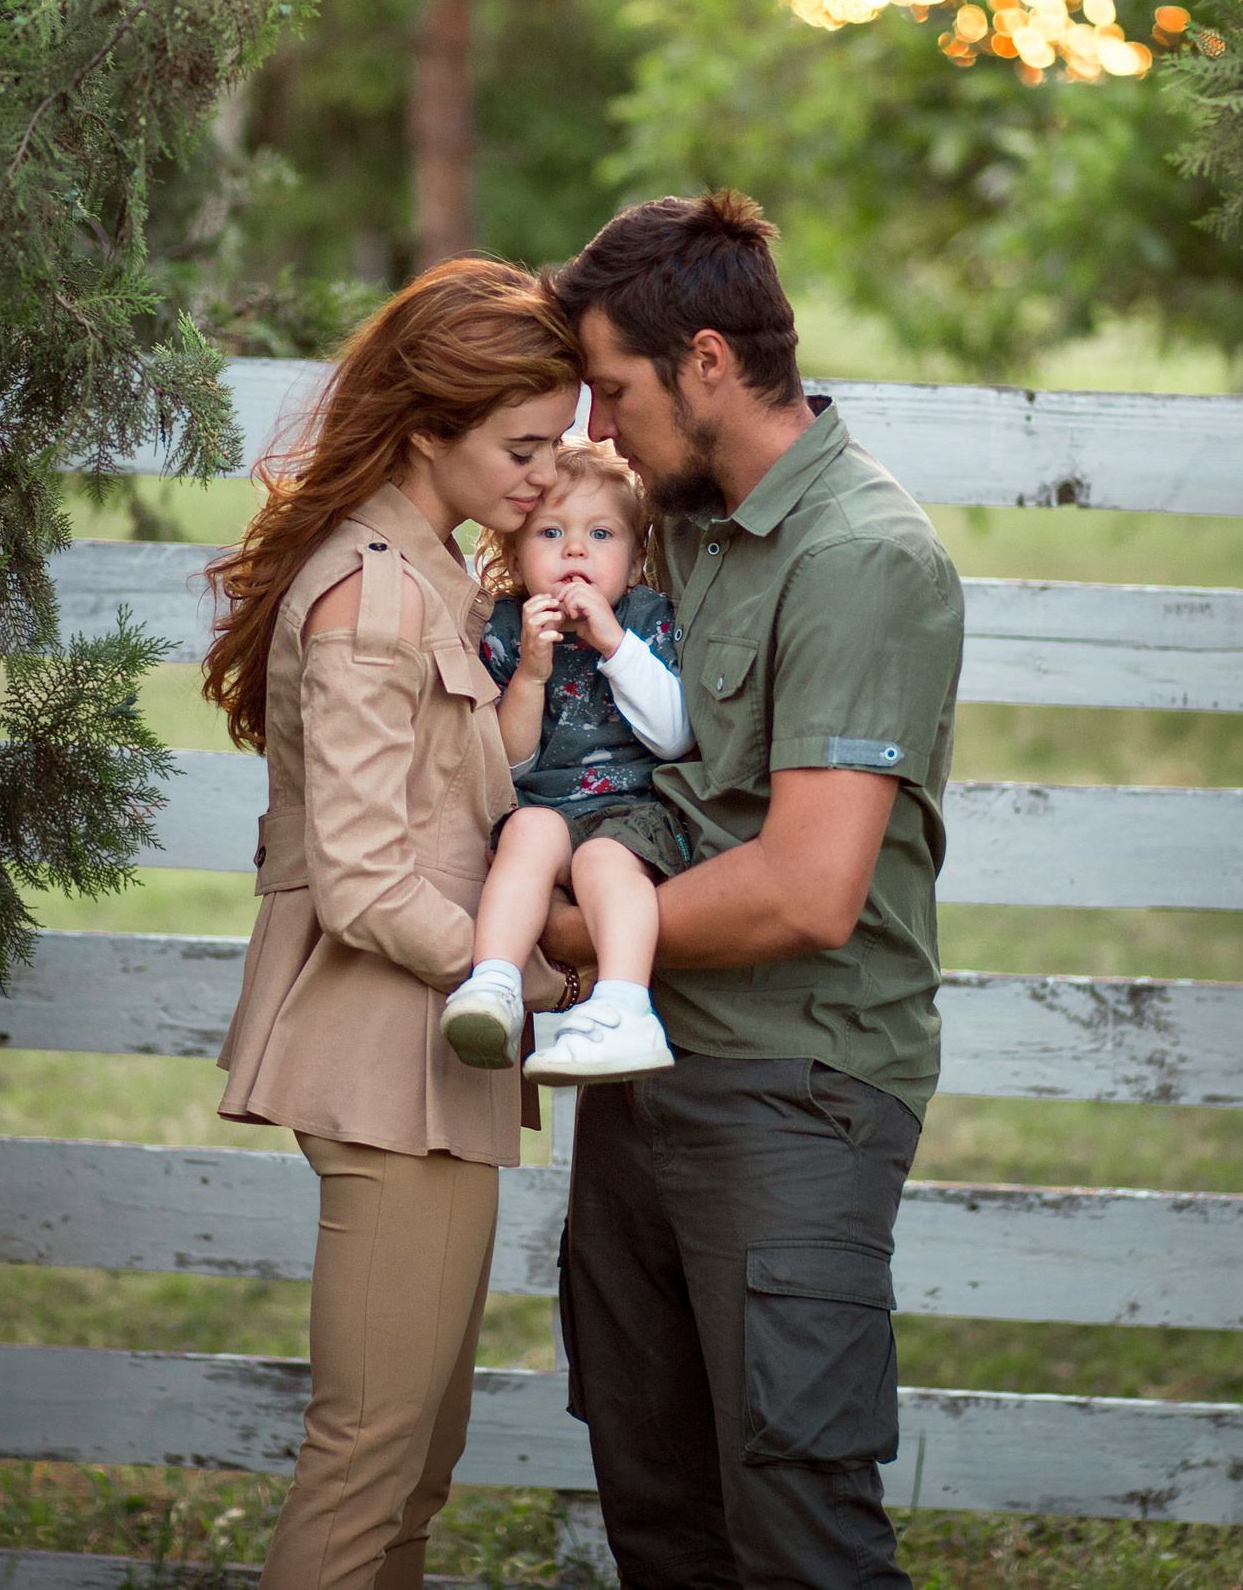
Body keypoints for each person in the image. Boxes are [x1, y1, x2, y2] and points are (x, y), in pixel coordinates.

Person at [544, 192, 965, 1587]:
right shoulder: (675, 526)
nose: (598, 427)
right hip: (642, 1075)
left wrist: (571, 934)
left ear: (708, 362)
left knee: (797, 1536)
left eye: (613, 389)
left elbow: (806, 891)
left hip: (795, 1094)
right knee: (659, 1516)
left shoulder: (860, 556)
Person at [201, 258, 581, 1590]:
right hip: (385, 1060)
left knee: (416, 1462)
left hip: (437, 1055)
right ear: (427, 428)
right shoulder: (373, 595)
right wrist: (538, 972)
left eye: (558, 442)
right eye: (523, 449)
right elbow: (362, 881)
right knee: (368, 1464)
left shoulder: (433, 573)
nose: (548, 475)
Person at [437, 437, 694, 1085]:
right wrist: (530, 672)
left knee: (602, 860)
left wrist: (614, 643)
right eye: (551, 533)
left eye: (601, 534)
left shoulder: (647, 618)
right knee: (526, 830)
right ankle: (495, 983)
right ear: (515, 555)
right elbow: (511, 766)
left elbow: (674, 737)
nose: (575, 550)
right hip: (547, 808)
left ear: (635, 563)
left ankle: (625, 1006)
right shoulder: (506, 628)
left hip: (632, 814)